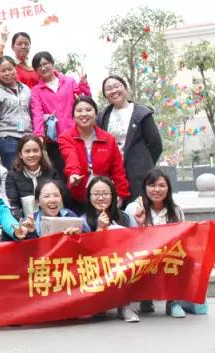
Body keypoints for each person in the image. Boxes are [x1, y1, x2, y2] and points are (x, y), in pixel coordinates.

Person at [124, 168, 203, 318]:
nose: (157, 190)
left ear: (168, 188)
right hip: (142, 255)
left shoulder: (176, 211)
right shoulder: (133, 208)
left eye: (162, 185)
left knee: (185, 258)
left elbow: (181, 239)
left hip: (167, 255)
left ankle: (173, 302)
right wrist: (141, 224)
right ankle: (145, 297)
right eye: (152, 185)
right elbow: (129, 240)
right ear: (145, 187)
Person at [81, 176, 137, 323]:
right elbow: (86, 251)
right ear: (89, 197)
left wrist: (141, 224)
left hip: (122, 263)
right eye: (96, 194)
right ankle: (98, 304)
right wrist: (100, 229)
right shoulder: (83, 221)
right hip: (96, 265)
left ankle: (124, 306)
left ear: (113, 196)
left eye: (105, 194)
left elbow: (138, 243)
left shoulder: (125, 217)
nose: (101, 198)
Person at [59, 96, 130, 212]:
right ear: (73, 115)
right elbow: (70, 156)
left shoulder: (108, 139)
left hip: (102, 198)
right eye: (79, 110)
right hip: (77, 198)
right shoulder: (66, 137)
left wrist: (121, 194)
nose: (84, 114)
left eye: (88, 110)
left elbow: (118, 170)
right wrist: (73, 174)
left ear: (96, 114)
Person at [98, 75, 163, 202]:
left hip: (138, 173)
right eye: (109, 88)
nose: (114, 91)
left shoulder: (142, 113)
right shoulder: (102, 117)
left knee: (139, 207)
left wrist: (143, 162)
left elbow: (156, 144)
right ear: (105, 94)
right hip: (113, 173)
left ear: (125, 88)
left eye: (117, 86)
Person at [30, 51, 91, 177]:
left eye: (45, 63)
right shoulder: (36, 91)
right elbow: (37, 113)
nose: (43, 68)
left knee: (82, 169)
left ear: (52, 64)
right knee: (62, 173)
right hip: (55, 140)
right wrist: (39, 135)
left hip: (75, 134)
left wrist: (84, 85)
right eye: (39, 66)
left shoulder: (69, 82)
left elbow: (85, 101)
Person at [0, 56, 33, 169]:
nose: (7, 73)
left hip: (27, 136)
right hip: (8, 138)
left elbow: (32, 111)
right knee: (13, 172)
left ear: (15, 69)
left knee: (29, 171)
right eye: (3, 71)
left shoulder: (26, 89)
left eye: (10, 69)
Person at [6, 135, 64, 219]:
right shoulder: (12, 176)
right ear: (20, 155)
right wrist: (22, 222)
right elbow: (13, 205)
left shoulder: (51, 172)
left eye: (35, 150)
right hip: (24, 221)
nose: (32, 154)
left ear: (41, 153)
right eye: (27, 151)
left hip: (52, 219)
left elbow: (60, 198)